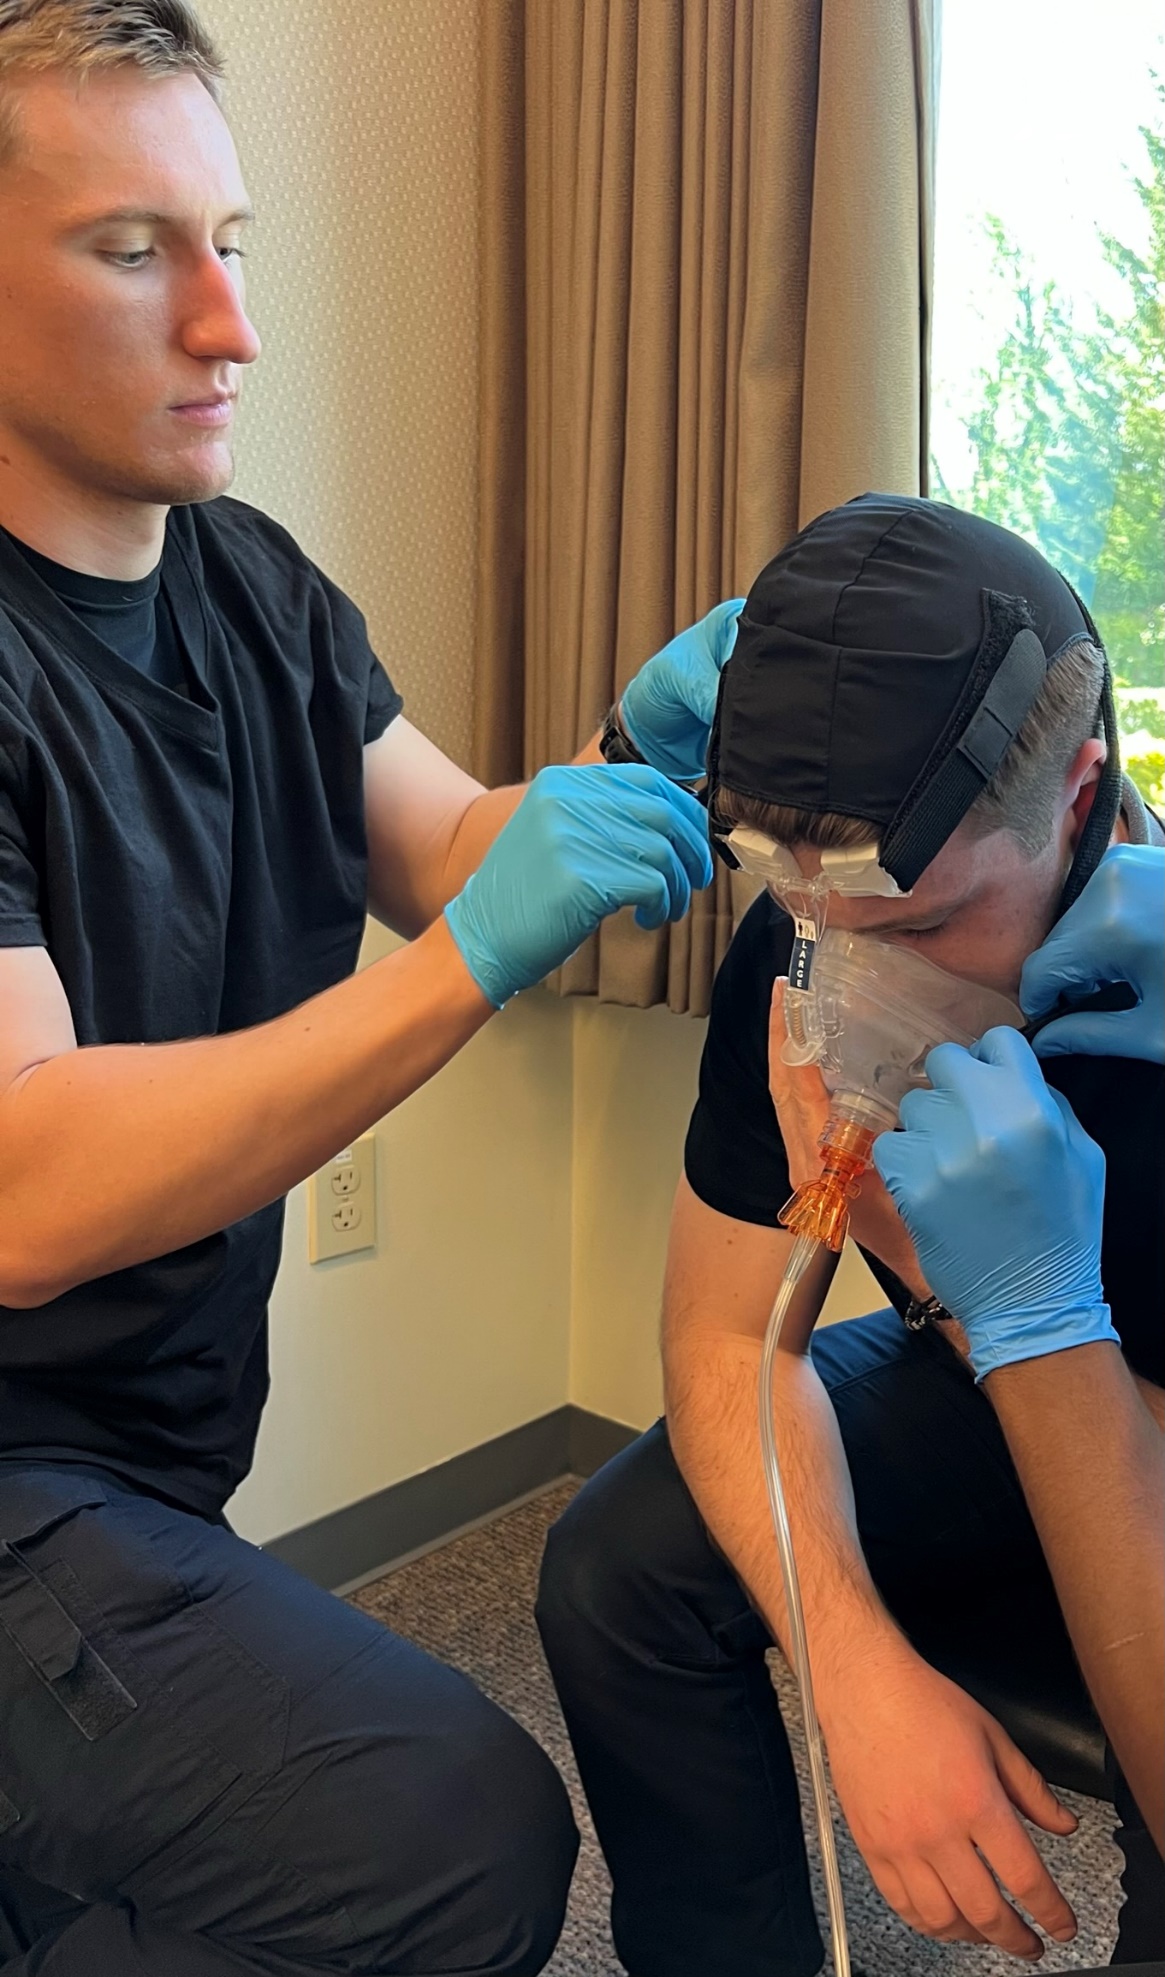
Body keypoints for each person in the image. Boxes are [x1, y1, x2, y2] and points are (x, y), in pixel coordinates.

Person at [0, 4, 743, 1971]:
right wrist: (469, 975)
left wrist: (627, 764)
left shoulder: (251, 588)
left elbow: (447, 851)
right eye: (133, 249)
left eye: (229, 244)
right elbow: (26, 1184)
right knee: (444, 1838)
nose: (230, 325)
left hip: (138, 1467)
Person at [537, 492, 1165, 1974]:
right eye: (803, 915)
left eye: (920, 932)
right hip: (981, 1371)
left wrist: (1035, 1317)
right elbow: (718, 1332)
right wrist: (851, 1667)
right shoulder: (819, 929)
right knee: (614, 1568)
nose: (846, 994)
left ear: (1077, 796)